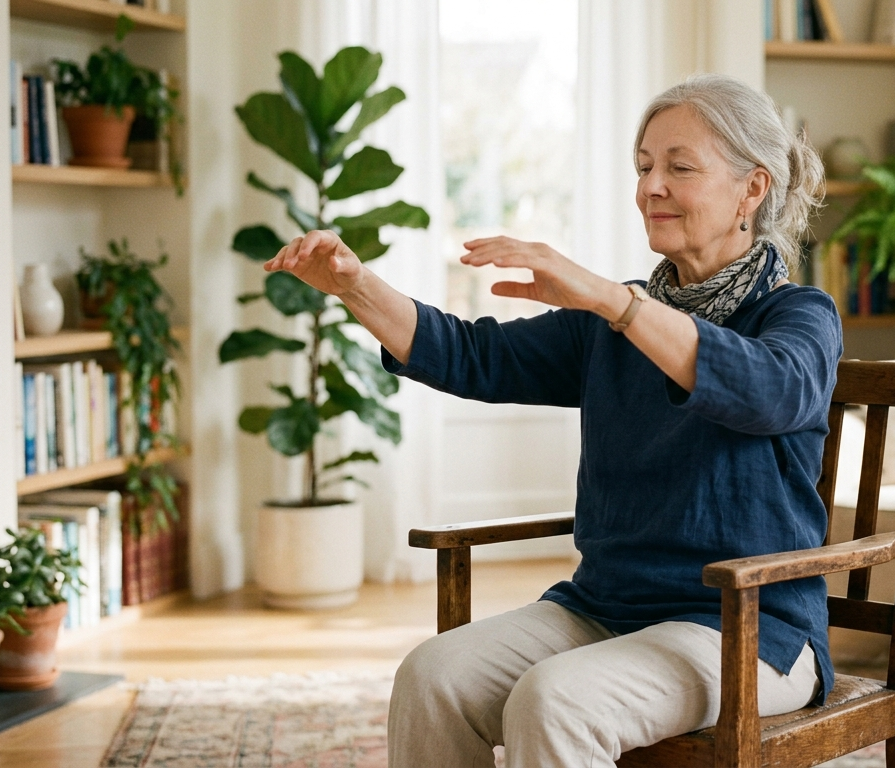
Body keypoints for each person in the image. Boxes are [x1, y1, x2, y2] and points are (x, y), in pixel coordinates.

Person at [263, 73, 839, 768]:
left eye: (679, 167)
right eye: (645, 166)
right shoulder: (611, 323)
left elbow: (770, 392)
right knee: (432, 677)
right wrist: (356, 287)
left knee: (555, 698)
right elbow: (473, 354)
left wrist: (613, 303)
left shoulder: (798, 316)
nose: (651, 186)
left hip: (749, 628)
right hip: (605, 608)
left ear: (753, 189)